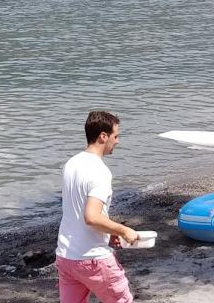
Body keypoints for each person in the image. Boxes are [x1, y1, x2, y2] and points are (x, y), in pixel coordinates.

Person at [56, 111, 139, 303]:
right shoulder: (100, 171)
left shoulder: (71, 164)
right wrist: (123, 230)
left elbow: (76, 211)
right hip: (93, 259)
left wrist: (109, 234)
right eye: (115, 136)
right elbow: (91, 217)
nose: (117, 141)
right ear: (103, 136)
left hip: (66, 257)